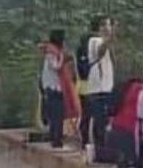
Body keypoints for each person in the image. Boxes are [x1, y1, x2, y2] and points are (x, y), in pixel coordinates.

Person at [39, 30, 80, 148]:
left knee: (55, 115)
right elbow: (56, 66)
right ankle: (56, 139)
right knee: (57, 115)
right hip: (53, 87)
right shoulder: (51, 52)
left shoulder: (51, 50)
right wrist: (63, 58)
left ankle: (54, 137)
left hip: (54, 86)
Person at [83, 16, 116, 158]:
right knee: (99, 121)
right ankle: (99, 151)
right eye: (106, 25)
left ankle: (104, 150)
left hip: (107, 87)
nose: (108, 28)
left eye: (109, 25)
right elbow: (100, 52)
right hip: (98, 88)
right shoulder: (94, 41)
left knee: (105, 121)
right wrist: (109, 38)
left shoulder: (105, 42)